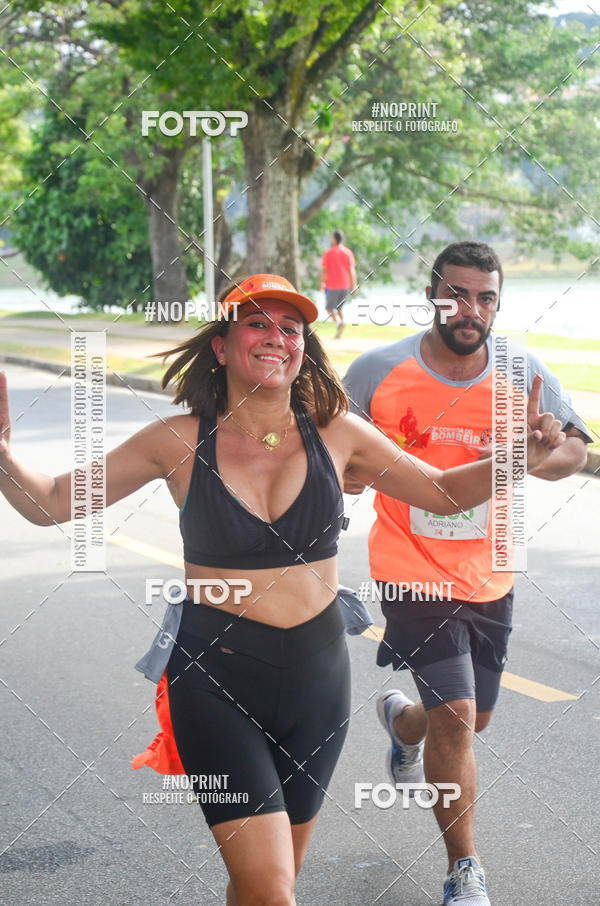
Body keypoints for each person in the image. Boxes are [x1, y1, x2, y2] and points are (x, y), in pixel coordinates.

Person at [0, 271, 565, 906]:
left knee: (263, 883)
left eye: (290, 328)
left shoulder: (338, 432)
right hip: (215, 681)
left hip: (316, 685)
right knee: (272, 889)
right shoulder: (179, 441)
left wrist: (519, 455)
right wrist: (1, 452)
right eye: (257, 325)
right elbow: (49, 502)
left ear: (304, 346)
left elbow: (440, 491)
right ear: (221, 346)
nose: (276, 339)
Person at [342, 241, 592, 906]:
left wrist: (538, 454)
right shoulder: (377, 372)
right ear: (432, 294)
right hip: (410, 569)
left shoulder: (521, 370)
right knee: (456, 716)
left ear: (497, 302)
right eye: (457, 294)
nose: (470, 309)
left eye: (485, 297)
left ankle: (402, 724)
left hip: (490, 574)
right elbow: (332, 461)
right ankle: (464, 871)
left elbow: (574, 449)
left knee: (468, 720)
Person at [320, 229, 357, 339]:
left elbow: (324, 270)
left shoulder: (328, 253)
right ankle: (340, 324)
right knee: (339, 308)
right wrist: (353, 285)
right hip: (345, 286)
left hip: (332, 286)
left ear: (334, 239)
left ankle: (338, 323)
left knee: (329, 309)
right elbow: (352, 270)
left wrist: (322, 283)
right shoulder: (348, 253)